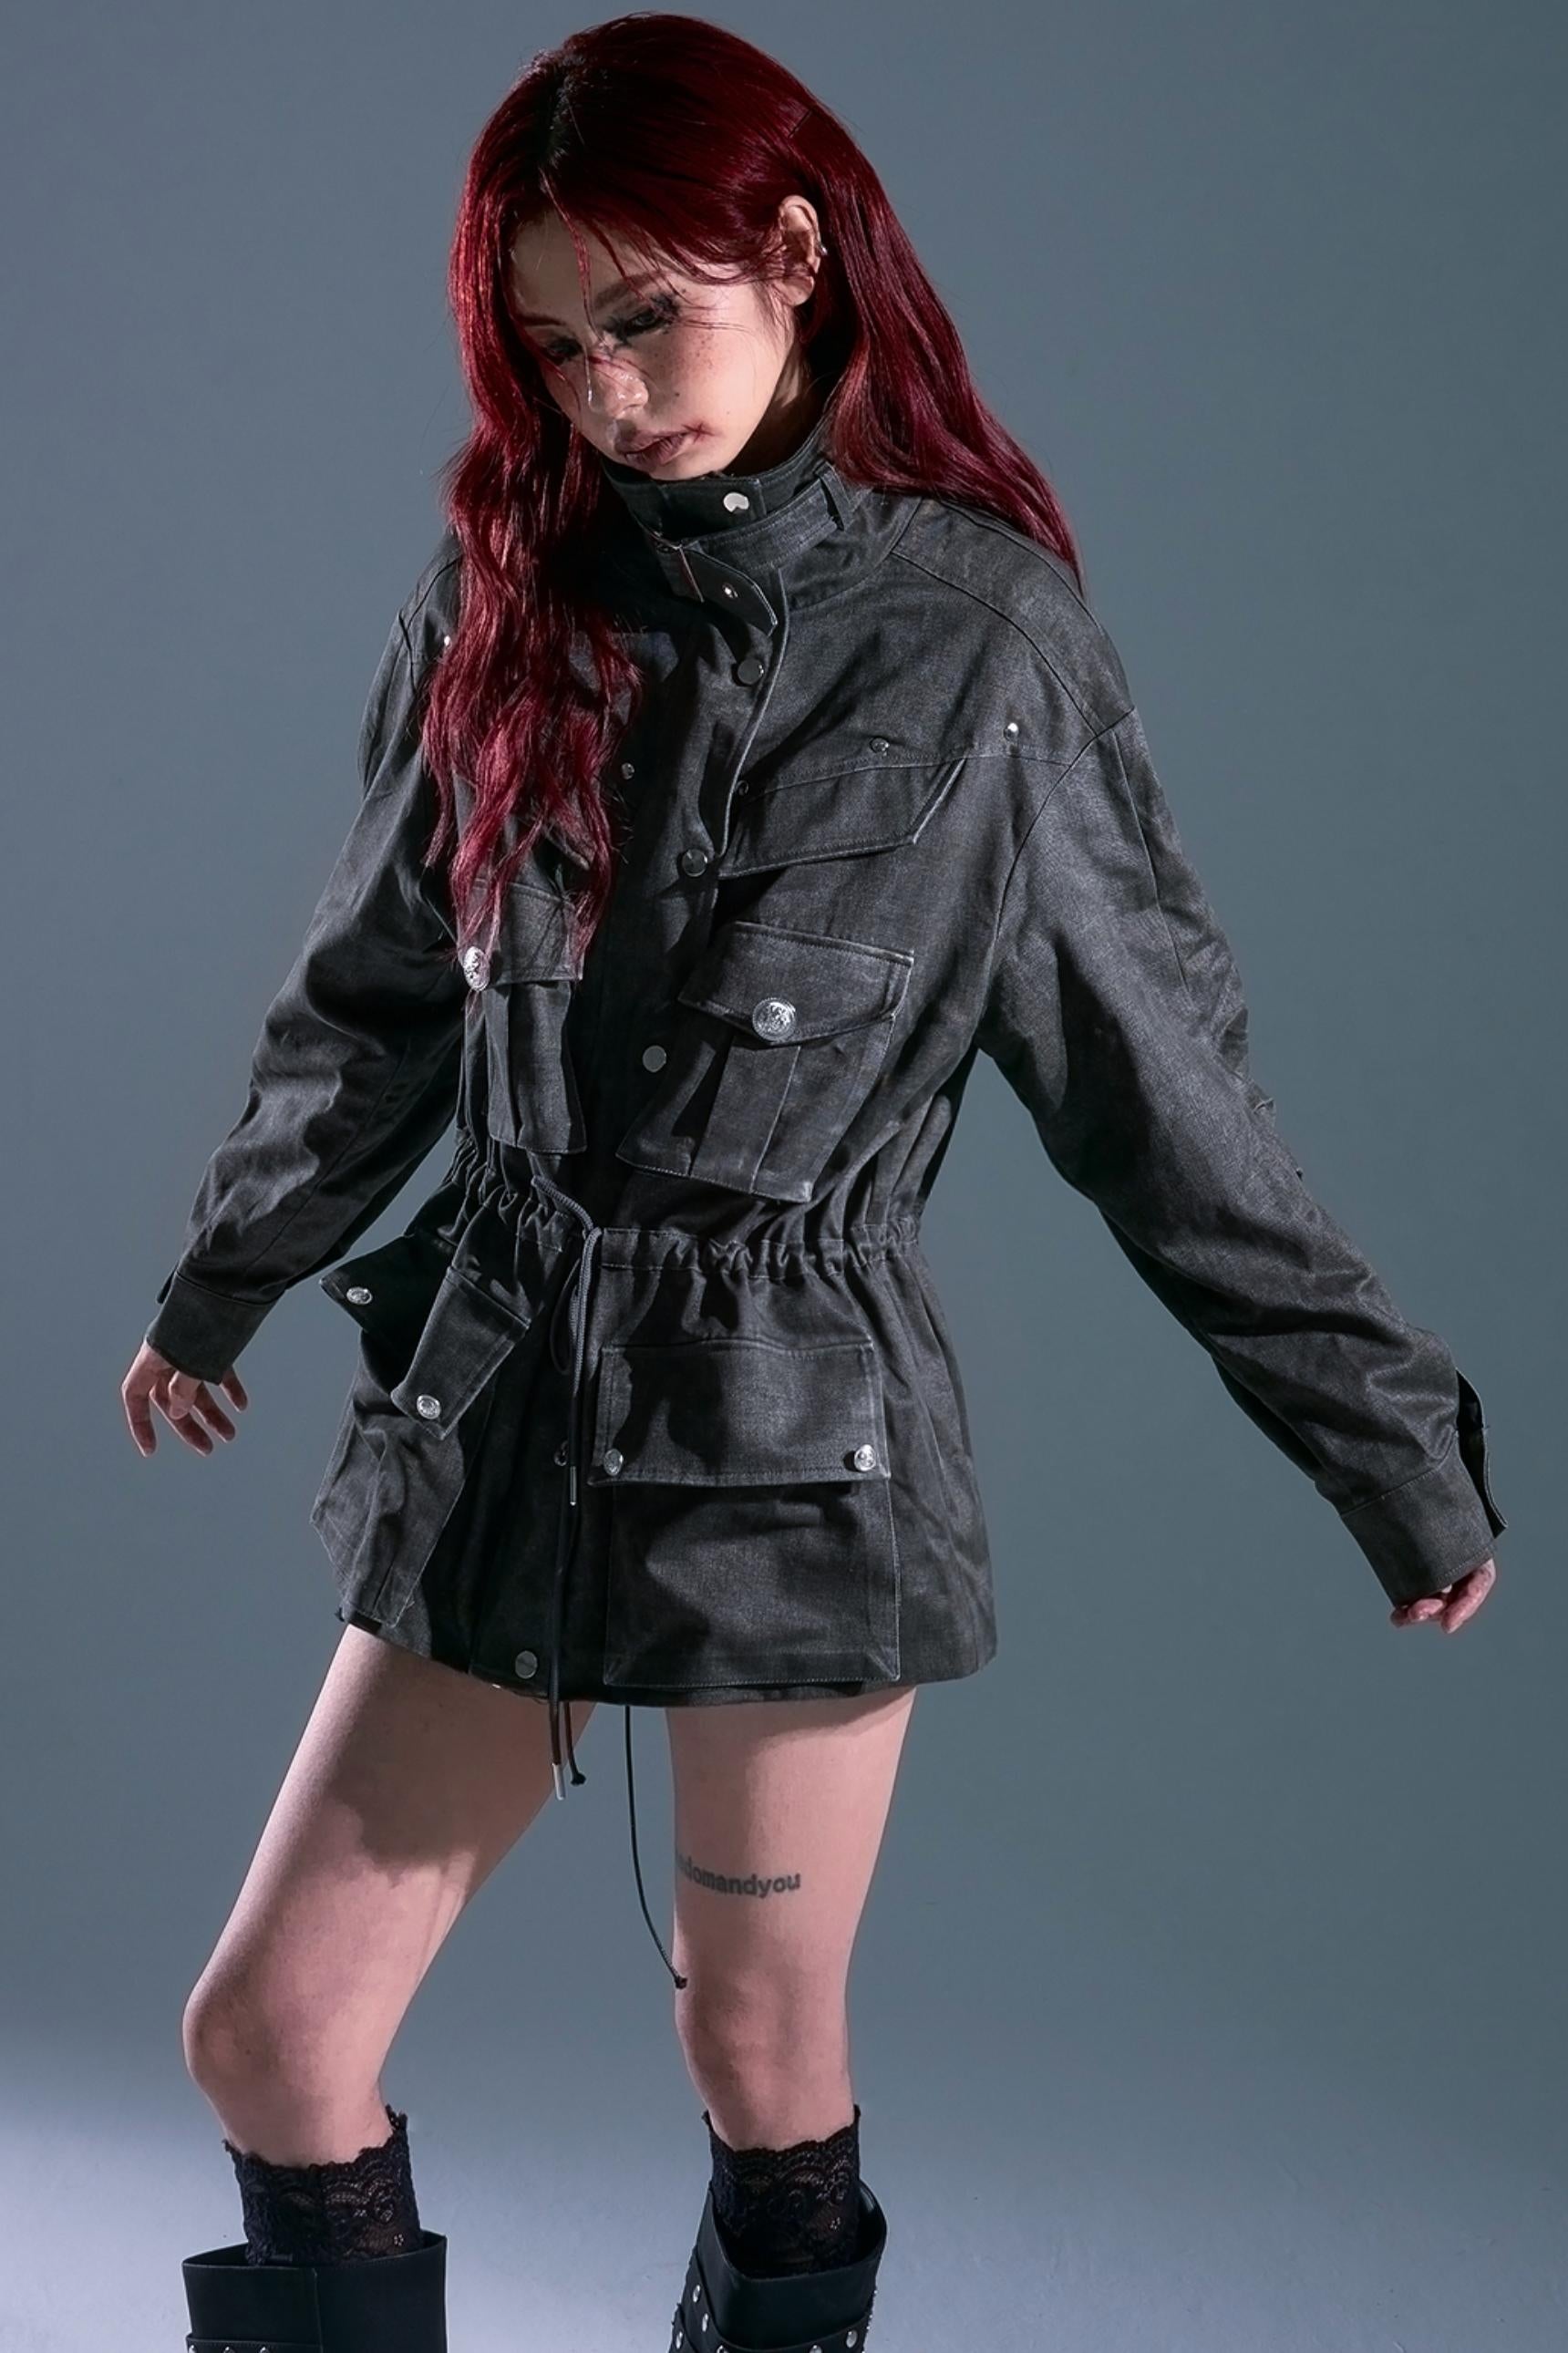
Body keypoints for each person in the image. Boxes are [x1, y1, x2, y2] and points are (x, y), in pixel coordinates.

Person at [122, 15, 1504, 2351]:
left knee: (757, 2051)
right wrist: (224, 1277)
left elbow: (1161, 1094)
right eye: (553, 349)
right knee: (269, 2032)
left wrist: (1384, 1441)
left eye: (643, 319)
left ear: (791, 253)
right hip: (506, 1389)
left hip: (794, 1440)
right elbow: (368, 997)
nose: (605, 394)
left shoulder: (983, 643)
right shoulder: (506, 599)